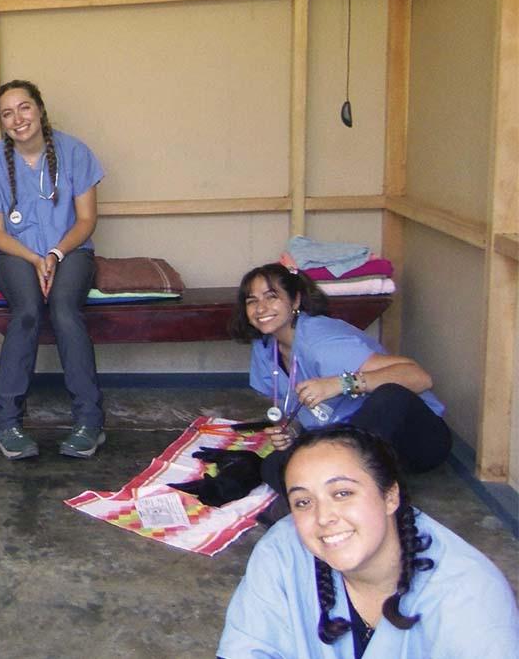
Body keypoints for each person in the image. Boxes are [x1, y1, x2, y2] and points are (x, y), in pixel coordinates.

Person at [218, 425, 519, 658]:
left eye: (343, 493)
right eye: (303, 501)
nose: (323, 517)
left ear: (390, 496)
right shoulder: (283, 550)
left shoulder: (469, 596)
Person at [0, 80, 105, 460]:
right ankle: (6, 423)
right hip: (15, 254)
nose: (18, 119)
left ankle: (89, 422)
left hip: (71, 250)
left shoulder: (75, 152)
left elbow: (87, 219)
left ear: (40, 109)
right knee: (26, 312)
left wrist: (56, 253)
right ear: (1, 122)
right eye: (7, 113)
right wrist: (34, 258)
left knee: (63, 309)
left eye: (24, 108)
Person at [229, 263, 451, 496]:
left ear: (295, 301)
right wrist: (291, 432)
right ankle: (346, 479)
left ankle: (348, 484)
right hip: (347, 439)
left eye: (271, 297)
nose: (260, 308)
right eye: (251, 301)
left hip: (414, 441)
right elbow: (290, 409)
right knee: (273, 465)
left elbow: (419, 377)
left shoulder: (322, 343)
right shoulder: (265, 346)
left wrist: (340, 383)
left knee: (389, 397)